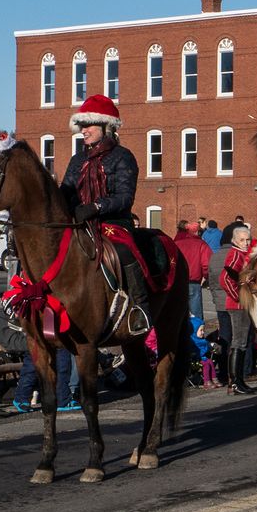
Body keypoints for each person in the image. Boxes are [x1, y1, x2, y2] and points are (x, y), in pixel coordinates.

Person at [59, 94, 149, 334]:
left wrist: (96, 207)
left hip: (113, 222)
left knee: (123, 252)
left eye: (88, 125)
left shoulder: (123, 156)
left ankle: (140, 309)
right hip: (80, 223)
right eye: (82, 126)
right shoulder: (77, 159)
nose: (84, 131)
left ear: (105, 126)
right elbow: (65, 191)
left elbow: (125, 197)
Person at [0, 299, 78, 412]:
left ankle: (62, 399)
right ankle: (22, 398)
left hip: (40, 337)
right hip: (25, 342)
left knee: (62, 355)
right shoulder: (8, 315)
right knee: (32, 366)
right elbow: (10, 340)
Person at [218, 226, 256, 395]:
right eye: (242, 240)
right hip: (238, 306)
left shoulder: (244, 254)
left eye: (248, 239)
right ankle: (234, 383)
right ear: (234, 241)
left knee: (244, 342)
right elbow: (225, 278)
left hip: (244, 305)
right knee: (239, 342)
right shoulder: (236, 254)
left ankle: (239, 380)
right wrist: (239, 297)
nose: (246, 243)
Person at [174, 220, 211, 321]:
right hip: (194, 281)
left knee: (179, 313)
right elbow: (207, 263)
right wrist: (205, 276)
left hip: (179, 281)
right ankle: (196, 334)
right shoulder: (201, 244)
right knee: (196, 314)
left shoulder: (176, 244)